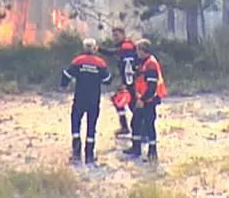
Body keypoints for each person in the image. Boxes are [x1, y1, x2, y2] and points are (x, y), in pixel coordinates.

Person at [61, 37, 112, 165]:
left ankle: (76, 153)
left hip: (80, 98)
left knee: (76, 122)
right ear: (94, 49)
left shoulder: (78, 61)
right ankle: (89, 155)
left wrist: (64, 86)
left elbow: (66, 75)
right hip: (94, 99)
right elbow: (107, 80)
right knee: (91, 126)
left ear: (84, 48)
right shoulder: (100, 63)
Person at [124, 38, 166, 162]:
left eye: (137, 50)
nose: (136, 53)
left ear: (143, 50)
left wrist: (143, 100)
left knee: (149, 125)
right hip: (143, 99)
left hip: (149, 100)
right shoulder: (144, 62)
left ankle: (152, 152)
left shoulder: (151, 64)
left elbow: (152, 86)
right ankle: (136, 148)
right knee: (135, 122)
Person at [101, 26, 139, 137]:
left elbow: (128, 68)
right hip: (129, 81)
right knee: (118, 100)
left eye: (117, 35)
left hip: (131, 82)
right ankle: (126, 127)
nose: (115, 38)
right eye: (113, 35)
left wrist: (127, 84)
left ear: (123, 35)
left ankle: (140, 130)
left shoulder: (126, 48)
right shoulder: (123, 47)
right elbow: (113, 52)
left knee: (132, 105)